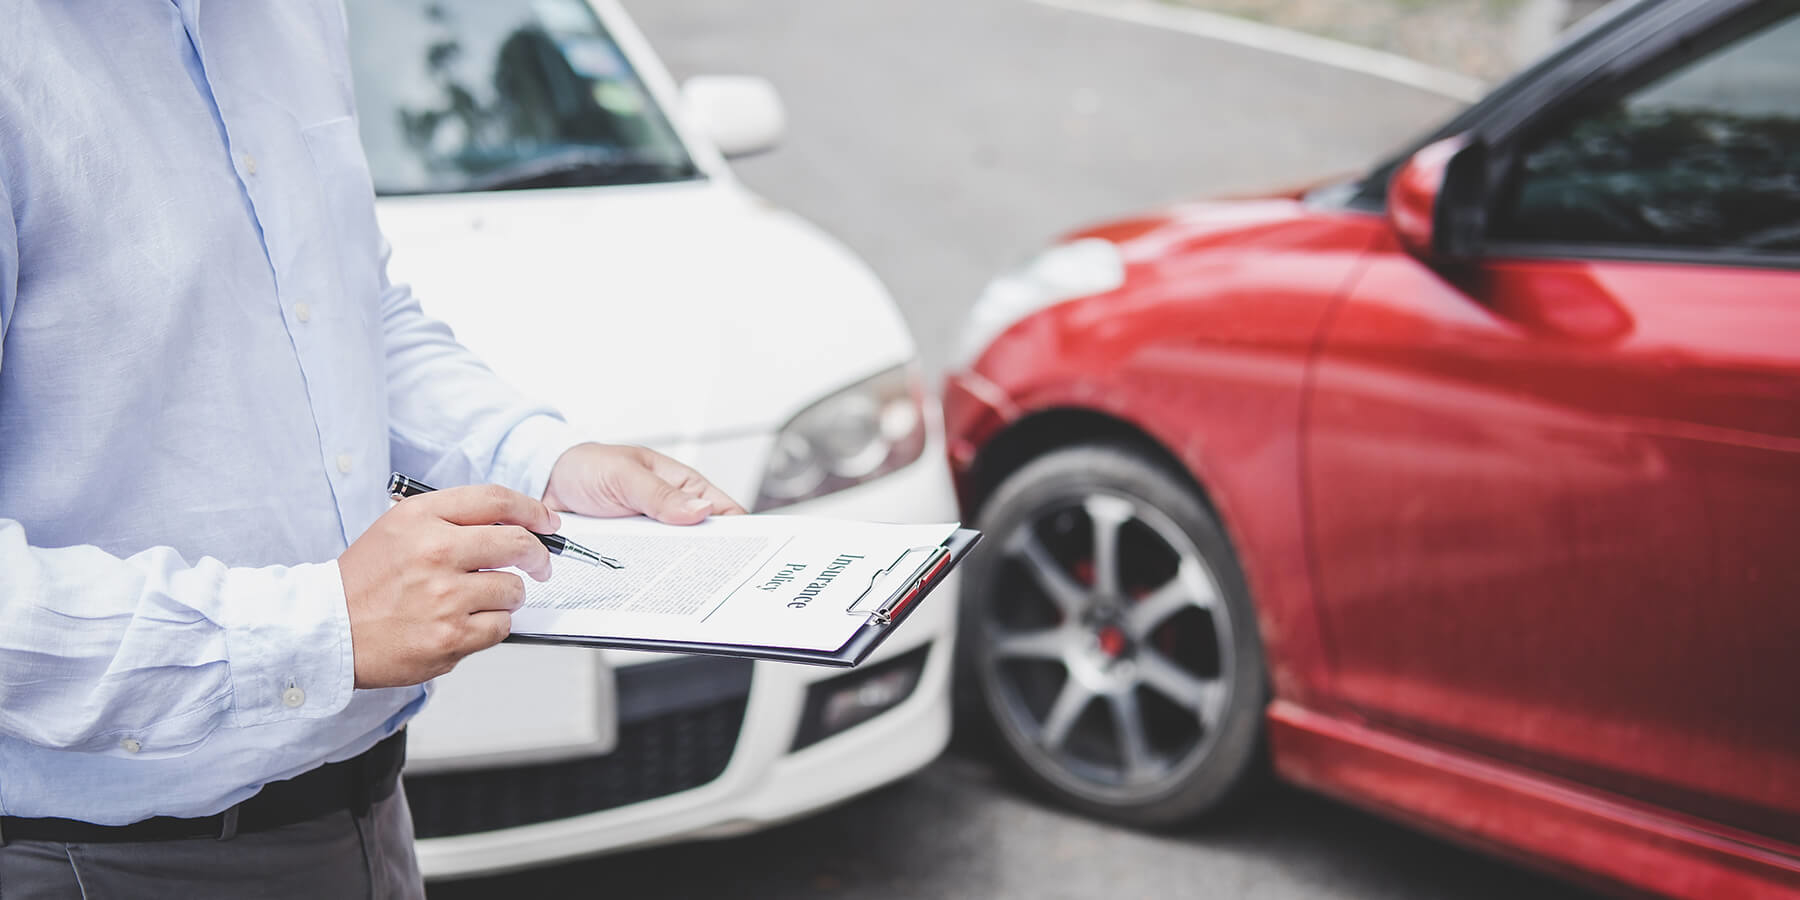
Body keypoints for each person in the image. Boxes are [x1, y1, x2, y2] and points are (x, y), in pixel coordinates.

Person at [0, 3, 743, 897]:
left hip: (369, 812)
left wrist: (538, 461)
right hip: (94, 859)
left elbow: (351, 312)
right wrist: (316, 629)